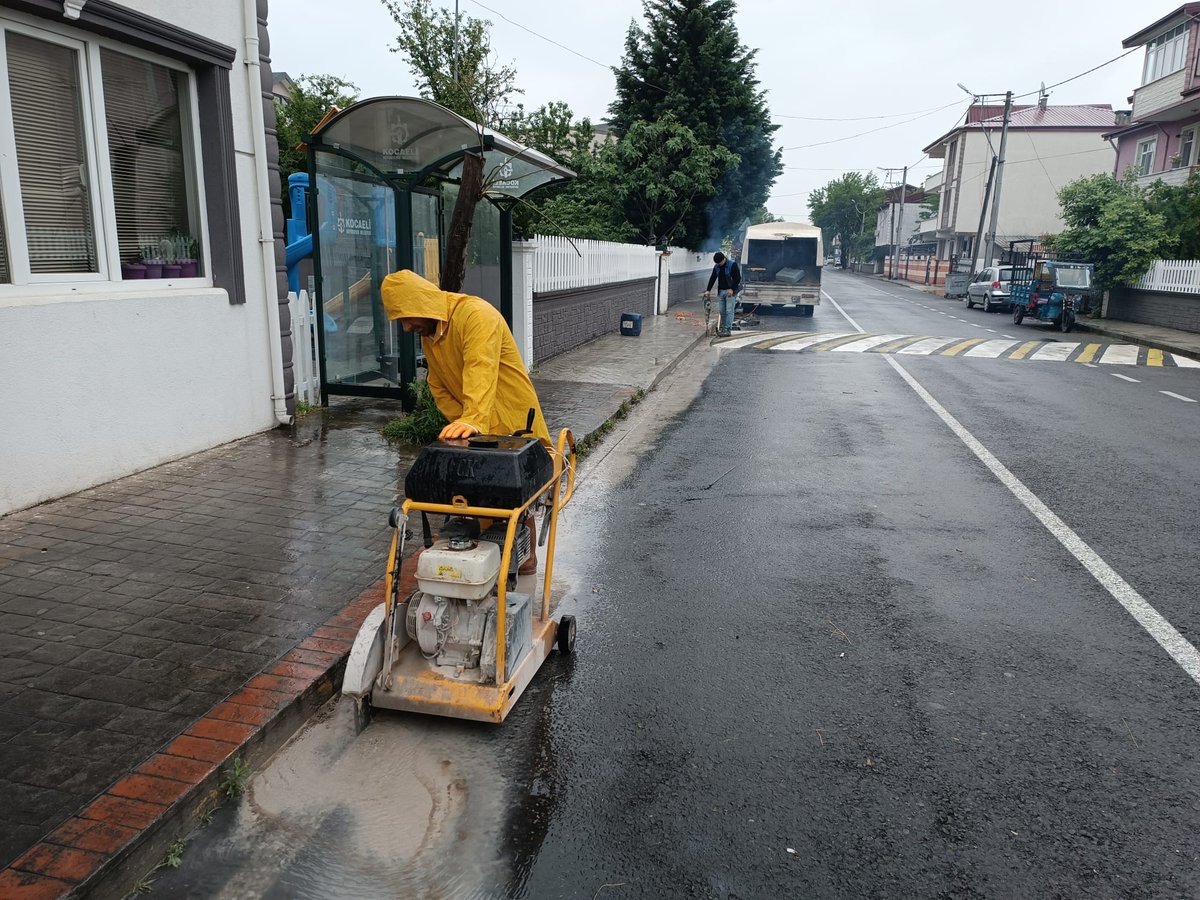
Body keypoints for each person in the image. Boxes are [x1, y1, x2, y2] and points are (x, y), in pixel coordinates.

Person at [381, 269, 549, 573]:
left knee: (514, 496)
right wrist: (461, 423)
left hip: (512, 421)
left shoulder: (476, 315)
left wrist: (472, 418)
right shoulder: (432, 333)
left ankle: (523, 562)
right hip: (476, 423)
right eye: (400, 320)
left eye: (407, 317)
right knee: (477, 494)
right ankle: (482, 565)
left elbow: (479, 368)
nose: (406, 327)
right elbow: (438, 384)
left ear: (423, 303)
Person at [704, 251, 742, 337]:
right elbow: (713, 278)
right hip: (721, 291)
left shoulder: (732, 265)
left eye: (720, 262)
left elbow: (737, 278)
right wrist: (708, 290)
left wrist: (732, 289)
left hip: (731, 291)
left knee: (729, 310)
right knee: (722, 311)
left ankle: (727, 329)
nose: (719, 264)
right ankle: (723, 328)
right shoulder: (717, 266)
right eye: (717, 263)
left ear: (724, 259)